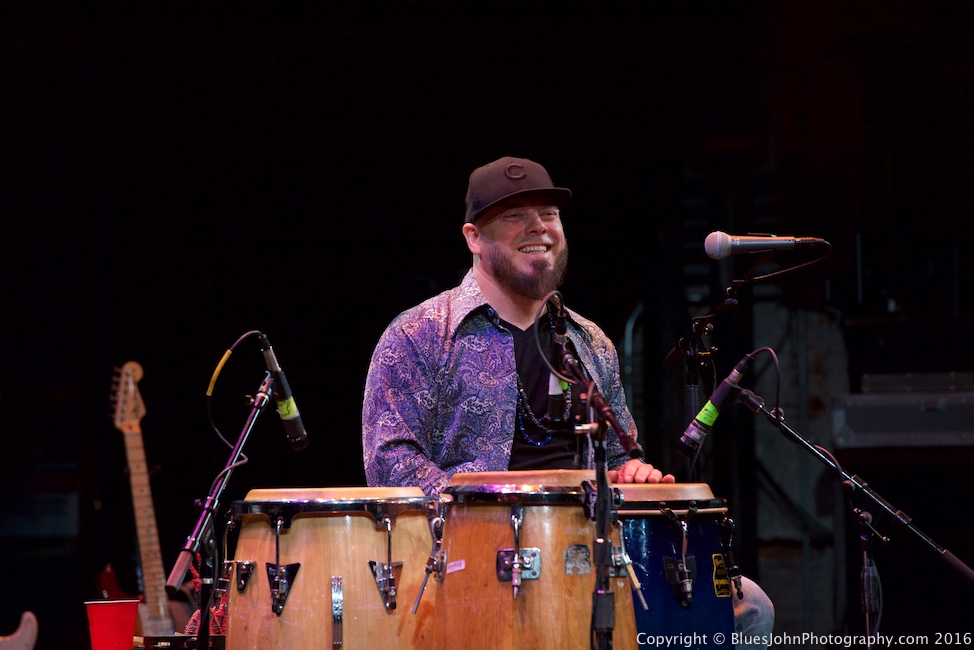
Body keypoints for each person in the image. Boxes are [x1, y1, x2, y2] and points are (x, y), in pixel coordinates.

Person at [362, 155, 774, 648]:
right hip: (472, 560)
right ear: (474, 237)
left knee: (748, 607)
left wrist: (632, 474)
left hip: (588, 552)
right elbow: (389, 464)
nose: (539, 226)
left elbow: (622, 456)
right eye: (514, 215)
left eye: (549, 214)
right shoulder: (419, 334)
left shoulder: (590, 341)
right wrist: (486, 503)